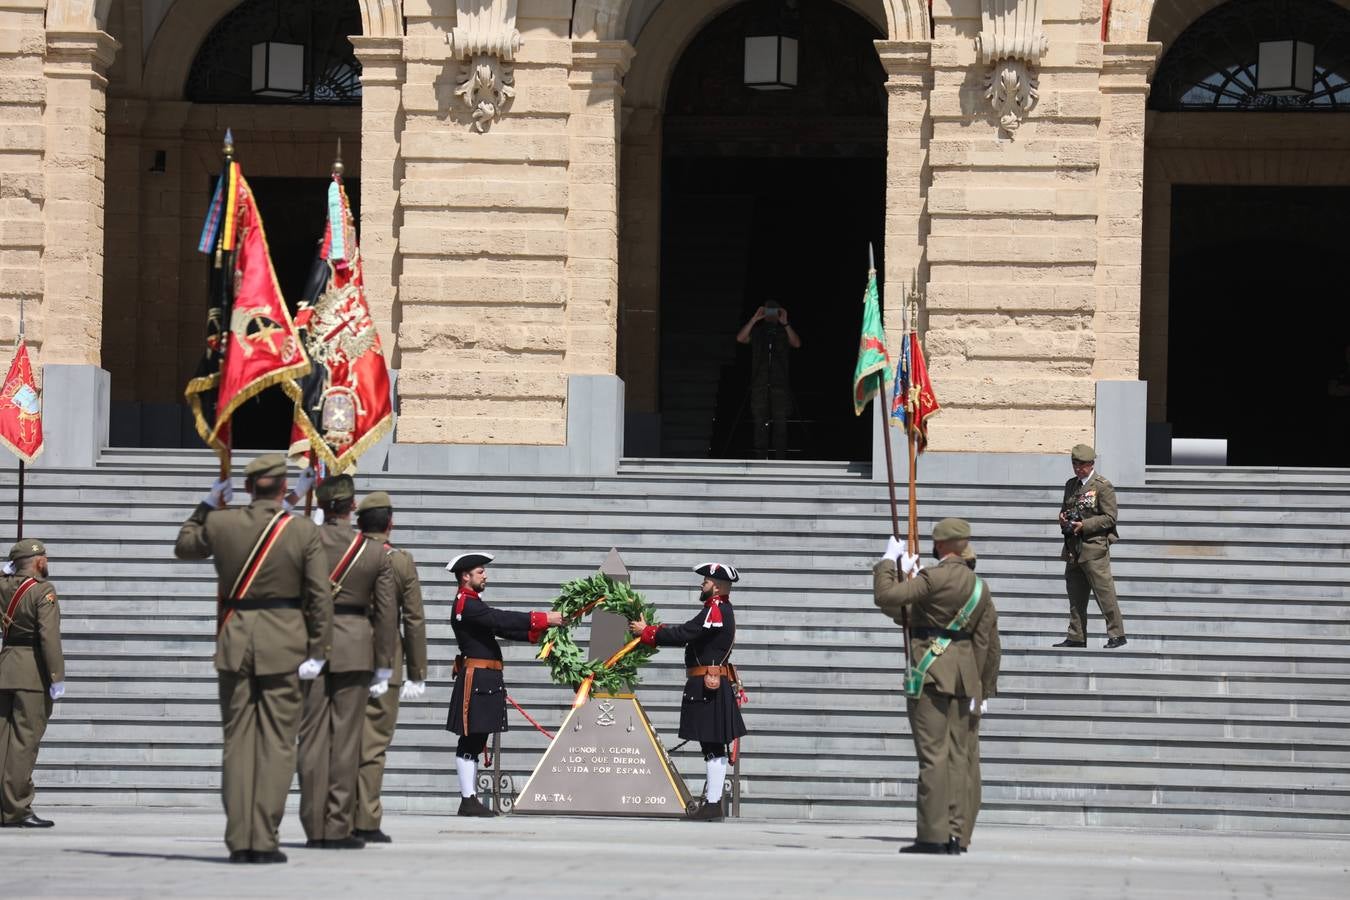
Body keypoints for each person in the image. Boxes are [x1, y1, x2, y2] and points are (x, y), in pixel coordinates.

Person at [174, 454, 333, 864]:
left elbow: (184, 546)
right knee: (278, 744)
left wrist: (208, 504)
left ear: (246, 488)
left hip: (235, 641)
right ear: (283, 488)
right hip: (285, 644)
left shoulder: (221, 523)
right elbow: (319, 597)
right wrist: (319, 650)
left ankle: (239, 837)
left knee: (238, 743)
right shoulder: (300, 531)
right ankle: (263, 837)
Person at [872, 518, 997, 855]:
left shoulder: (934, 577)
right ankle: (957, 834)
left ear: (941, 545)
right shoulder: (979, 586)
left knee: (932, 757)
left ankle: (932, 835)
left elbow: (886, 597)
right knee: (959, 757)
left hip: (930, 673)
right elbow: (984, 642)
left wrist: (888, 563)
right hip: (964, 677)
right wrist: (983, 688)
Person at [299, 474, 397, 849]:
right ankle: (337, 825)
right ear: (353, 507)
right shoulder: (374, 552)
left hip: (311, 646)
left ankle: (313, 825)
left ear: (323, 504)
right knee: (345, 741)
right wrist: (385, 662)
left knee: (310, 740)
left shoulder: (305, 542)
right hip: (356, 646)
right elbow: (387, 613)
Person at [445, 552, 562, 817]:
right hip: (477, 679)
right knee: (471, 739)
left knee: (477, 738)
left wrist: (535, 632)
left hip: (485, 679)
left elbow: (502, 629)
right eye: (480, 571)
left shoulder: (474, 603)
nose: (485, 575)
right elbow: (499, 619)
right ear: (465, 576)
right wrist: (542, 618)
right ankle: (468, 799)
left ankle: (470, 798)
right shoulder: (467, 604)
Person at [630, 562, 748, 822]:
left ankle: (714, 803)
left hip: (708, 684)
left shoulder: (716, 609)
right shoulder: (716, 609)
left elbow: (687, 632)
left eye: (705, 581)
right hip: (707, 682)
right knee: (712, 745)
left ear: (716, 587)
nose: (701, 584)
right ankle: (712, 803)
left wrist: (648, 632)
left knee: (713, 745)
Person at [353, 491, 427, 844]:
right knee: (373, 745)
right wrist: (417, 671)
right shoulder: (399, 561)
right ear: (390, 523)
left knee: (338, 741)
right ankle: (365, 818)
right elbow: (412, 619)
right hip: (386, 661)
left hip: (341, 657)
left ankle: (332, 815)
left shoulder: (342, 555)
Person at [0, 539, 64, 829]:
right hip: (32, 672)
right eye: (45, 557)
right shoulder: (43, 590)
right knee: (25, 743)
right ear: (38, 562)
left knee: (3, 742)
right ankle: (17, 809)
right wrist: (56, 677)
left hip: (5, 666)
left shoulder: (4, 585)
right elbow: (48, 637)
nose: (47, 561)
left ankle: (3, 807)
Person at [1055, 444, 1127, 649]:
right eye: (1075, 464)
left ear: (1091, 464)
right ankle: (1076, 636)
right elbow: (1065, 509)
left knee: (1105, 594)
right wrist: (1062, 518)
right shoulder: (1071, 485)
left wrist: (1084, 525)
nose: (1078, 469)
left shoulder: (1102, 486)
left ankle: (1117, 634)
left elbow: (1110, 517)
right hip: (1073, 548)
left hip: (1094, 548)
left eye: (1082, 465)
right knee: (1076, 595)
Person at [956, 546, 999, 853]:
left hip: (943, 686)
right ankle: (963, 830)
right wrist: (985, 689)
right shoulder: (982, 595)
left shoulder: (939, 590)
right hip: (971, 686)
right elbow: (991, 647)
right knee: (969, 760)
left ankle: (952, 828)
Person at [736, 303, 802, 459]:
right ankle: (760, 458)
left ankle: (780, 459)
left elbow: (797, 343)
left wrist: (785, 322)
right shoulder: (758, 332)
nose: (771, 314)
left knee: (780, 424)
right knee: (759, 422)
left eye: (774, 311)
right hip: (759, 385)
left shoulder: (783, 332)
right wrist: (754, 320)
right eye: (768, 311)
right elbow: (740, 338)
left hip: (780, 386)